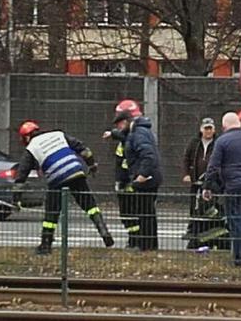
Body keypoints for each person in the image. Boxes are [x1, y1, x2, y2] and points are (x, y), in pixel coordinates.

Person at [15, 120, 114, 254]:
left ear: (26, 137)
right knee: (90, 205)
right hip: (76, 171)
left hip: (57, 178)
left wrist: (16, 199)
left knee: (52, 212)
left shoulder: (31, 148)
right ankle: (104, 231)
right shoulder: (58, 134)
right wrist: (91, 165)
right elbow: (84, 150)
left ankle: (45, 245)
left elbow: (21, 175)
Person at [203, 112, 241, 266]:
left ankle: (240, 257)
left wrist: (208, 186)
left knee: (235, 219)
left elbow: (213, 166)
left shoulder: (222, 141)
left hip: (233, 185)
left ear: (224, 126)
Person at [119, 109, 163, 251]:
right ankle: (148, 246)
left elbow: (148, 155)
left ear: (126, 122)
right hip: (150, 177)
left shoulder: (137, 134)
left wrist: (142, 175)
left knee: (145, 214)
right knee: (147, 213)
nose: (119, 128)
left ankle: (147, 247)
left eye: (119, 124)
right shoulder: (141, 131)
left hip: (146, 180)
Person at [103, 99, 142, 249]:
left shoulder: (133, 135)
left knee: (132, 212)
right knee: (127, 214)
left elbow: (126, 139)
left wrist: (113, 134)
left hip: (129, 182)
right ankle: (134, 238)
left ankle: (135, 240)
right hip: (125, 180)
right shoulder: (127, 137)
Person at [182, 117, 217, 243]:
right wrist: (187, 174)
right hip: (196, 181)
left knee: (210, 207)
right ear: (201, 129)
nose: (208, 131)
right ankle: (192, 229)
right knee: (194, 206)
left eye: (210, 129)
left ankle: (207, 230)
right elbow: (186, 159)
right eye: (206, 129)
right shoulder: (194, 143)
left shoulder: (218, 143)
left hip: (211, 182)